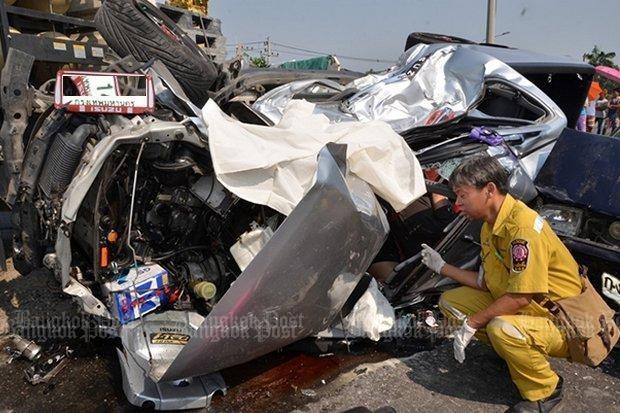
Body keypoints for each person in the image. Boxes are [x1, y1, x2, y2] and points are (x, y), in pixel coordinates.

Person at [420, 155, 582, 413]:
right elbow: (486, 283)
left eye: (463, 195)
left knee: (502, 328)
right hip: (531, 308)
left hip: (563, 321)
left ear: (490, 190)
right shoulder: (490, 225)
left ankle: (545, 390)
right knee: (452, 302)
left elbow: (520, 298)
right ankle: (515, 354)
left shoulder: (523, 230)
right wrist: (442, 267)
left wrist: (473, 323)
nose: (458, 204)